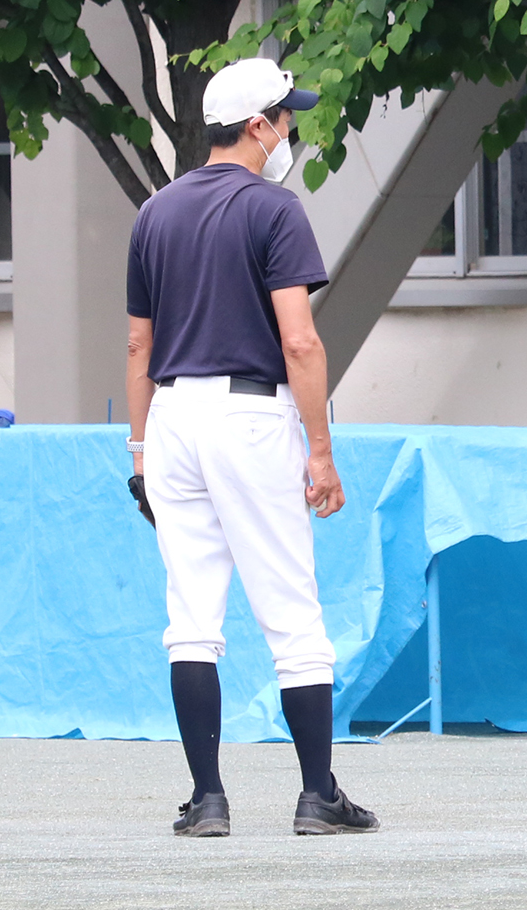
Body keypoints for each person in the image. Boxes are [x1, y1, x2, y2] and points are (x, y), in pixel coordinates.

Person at [124, 57, 377, 837]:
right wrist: (321, 451)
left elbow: (138, 346)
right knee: (291, 611)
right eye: (287, 117)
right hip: (250, 414)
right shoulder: (275, 209)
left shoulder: (155, 213)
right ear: (259, 125)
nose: (291, 131)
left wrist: (139, 455)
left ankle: (207, 799)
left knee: (191, 617)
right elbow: (300, 342)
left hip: (171, 417)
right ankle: (317, 795)